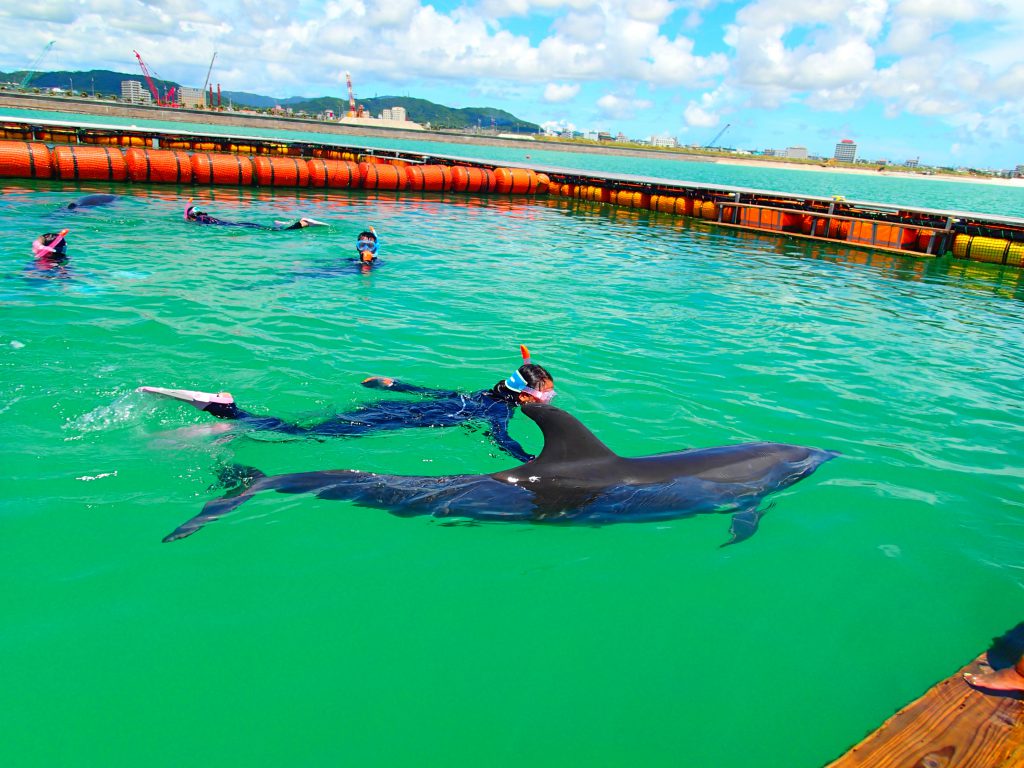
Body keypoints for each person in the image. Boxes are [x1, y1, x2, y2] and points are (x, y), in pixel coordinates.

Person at [139, 346, 556, 462]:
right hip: (389, 423)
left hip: (387, 411)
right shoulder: (498, 411)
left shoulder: (481, 395)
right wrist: (529, 458)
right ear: (524, 396)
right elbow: (500, 439)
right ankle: (226, 411)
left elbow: (427, 392)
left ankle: (228, 417)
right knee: (301, 438)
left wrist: (389, 383)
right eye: (545, 396)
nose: (547, 402)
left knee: (304, 426)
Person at [183, 201, 326, 230]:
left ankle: (301, 223)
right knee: (265, 228)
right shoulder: (205, 217)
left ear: (191, 217)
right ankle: (282, 224)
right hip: (238, 223)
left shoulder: (200, 220)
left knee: (272, 232)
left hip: (235, 225)